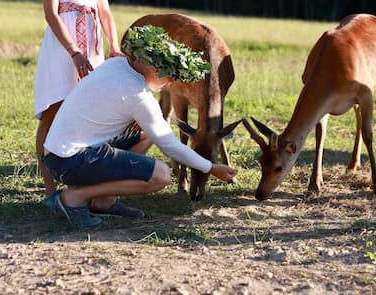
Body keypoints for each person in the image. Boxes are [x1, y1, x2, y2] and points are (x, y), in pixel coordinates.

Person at [42, 25, 239, 228]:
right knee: (160, 175)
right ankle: (74, 198)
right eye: (169, 76)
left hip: (58, 151)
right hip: (70, 160)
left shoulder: (116, 64)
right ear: (154, 70)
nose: (170, 83)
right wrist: (212, 168)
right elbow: (170, 145)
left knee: (145, 133)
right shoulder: (138, 96)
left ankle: (104, 200)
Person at [34, 0, 123, 208]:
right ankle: (49, 191)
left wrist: (114, 46)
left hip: (92, 49)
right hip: (63, 49)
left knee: (89, 114)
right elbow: (51, 13)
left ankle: (86, 185)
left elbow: (105, 12)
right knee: (53, 112)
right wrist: (73, 51)